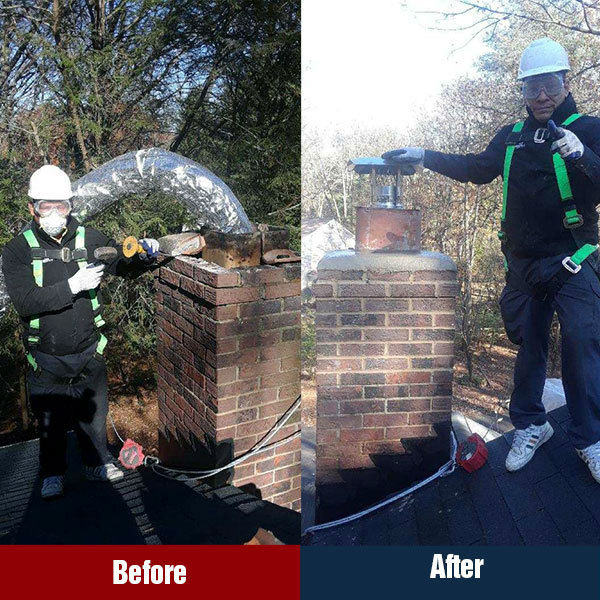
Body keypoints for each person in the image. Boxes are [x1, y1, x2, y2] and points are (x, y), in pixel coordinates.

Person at [382, 38, 600, 483]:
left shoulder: (591, 129)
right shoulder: (513, 136)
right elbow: (477, 168)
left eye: (549, 85)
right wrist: (424, 157)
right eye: (531, 87)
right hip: (523, 265)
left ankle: (589, 439)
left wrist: (583, 155)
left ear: (565, 82)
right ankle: (531, 425)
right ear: (522, 90)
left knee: (582, 347)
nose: (540, 96)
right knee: (528, 350)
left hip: (572, 260)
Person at [1, 164, 160, 499]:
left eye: (62, 205)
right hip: (45, 357)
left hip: (89, 349)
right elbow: (26, 302)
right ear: (32, 208)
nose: (56, 212)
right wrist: (73, 285)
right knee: (51, 423)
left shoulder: (90, 238)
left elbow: (120, 262)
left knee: (94, 417)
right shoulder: (17, 250)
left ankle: (96, 464)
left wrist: (145, 254)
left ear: (71, 205)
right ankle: (52, 474)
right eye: (47, 206)